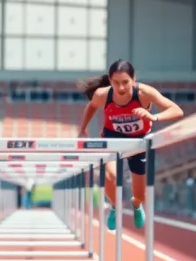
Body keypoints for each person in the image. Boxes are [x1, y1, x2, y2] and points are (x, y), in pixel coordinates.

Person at [76, 59, 184, 230]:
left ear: (134, 79)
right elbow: (91, 107)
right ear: (110, 81)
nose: (120, 88)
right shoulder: (103, 95)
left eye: (125, 82)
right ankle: (114, 206)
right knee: (110, 175)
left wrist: (153, 117)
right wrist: (83, 129)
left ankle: (136, 205)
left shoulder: (144, 93)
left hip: (138, 141)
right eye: (115, 83)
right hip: (113, 138)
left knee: (139, 193)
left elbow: (177, 110)